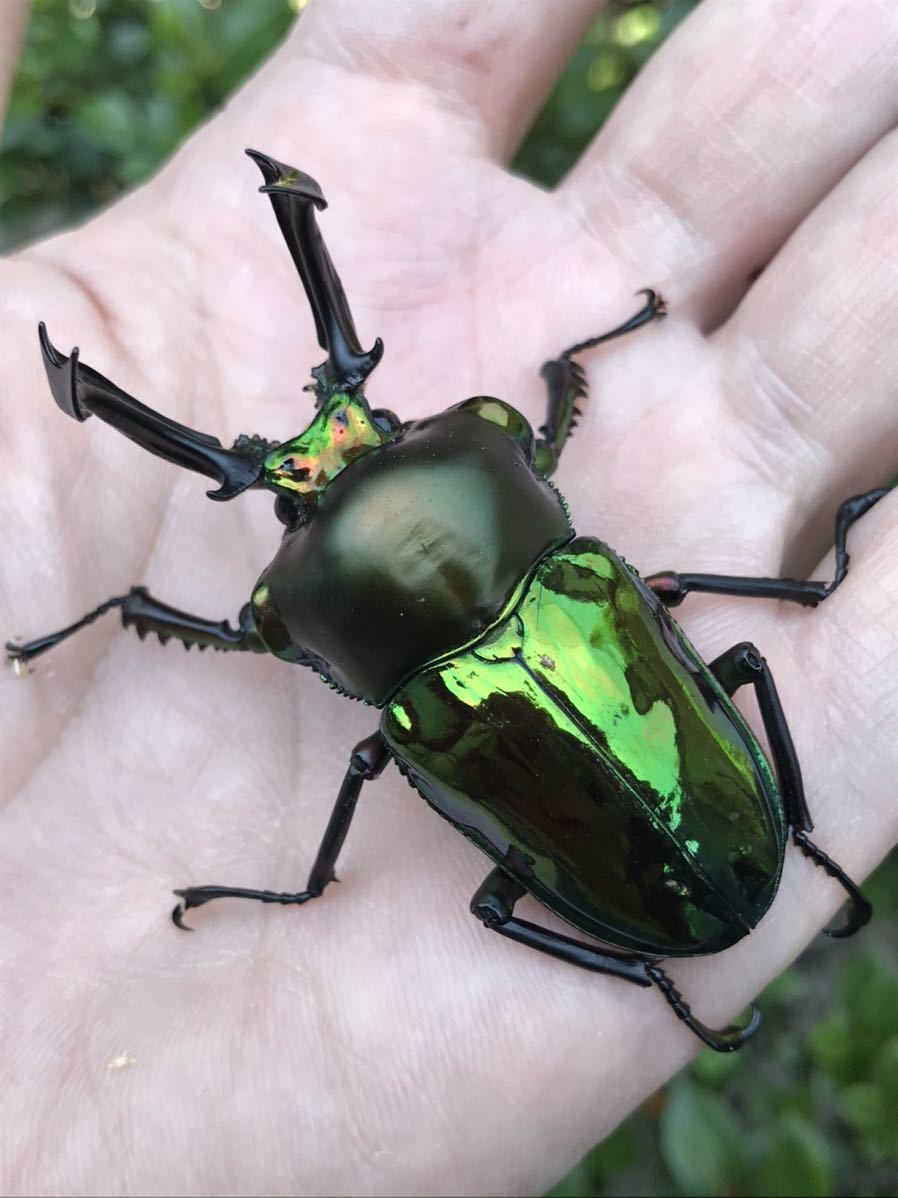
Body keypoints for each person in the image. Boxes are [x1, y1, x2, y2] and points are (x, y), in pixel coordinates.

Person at [3, 1, 897, 1193]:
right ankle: (744, 873)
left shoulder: (407, 717)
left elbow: (250, 630)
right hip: (740, 834)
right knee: (740, 655)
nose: (329, 435)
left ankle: (647, 950)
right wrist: (568, 379)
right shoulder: (577, 574)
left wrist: (136, 611)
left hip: (677, 867)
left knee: (494, 892)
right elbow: (536, 432)